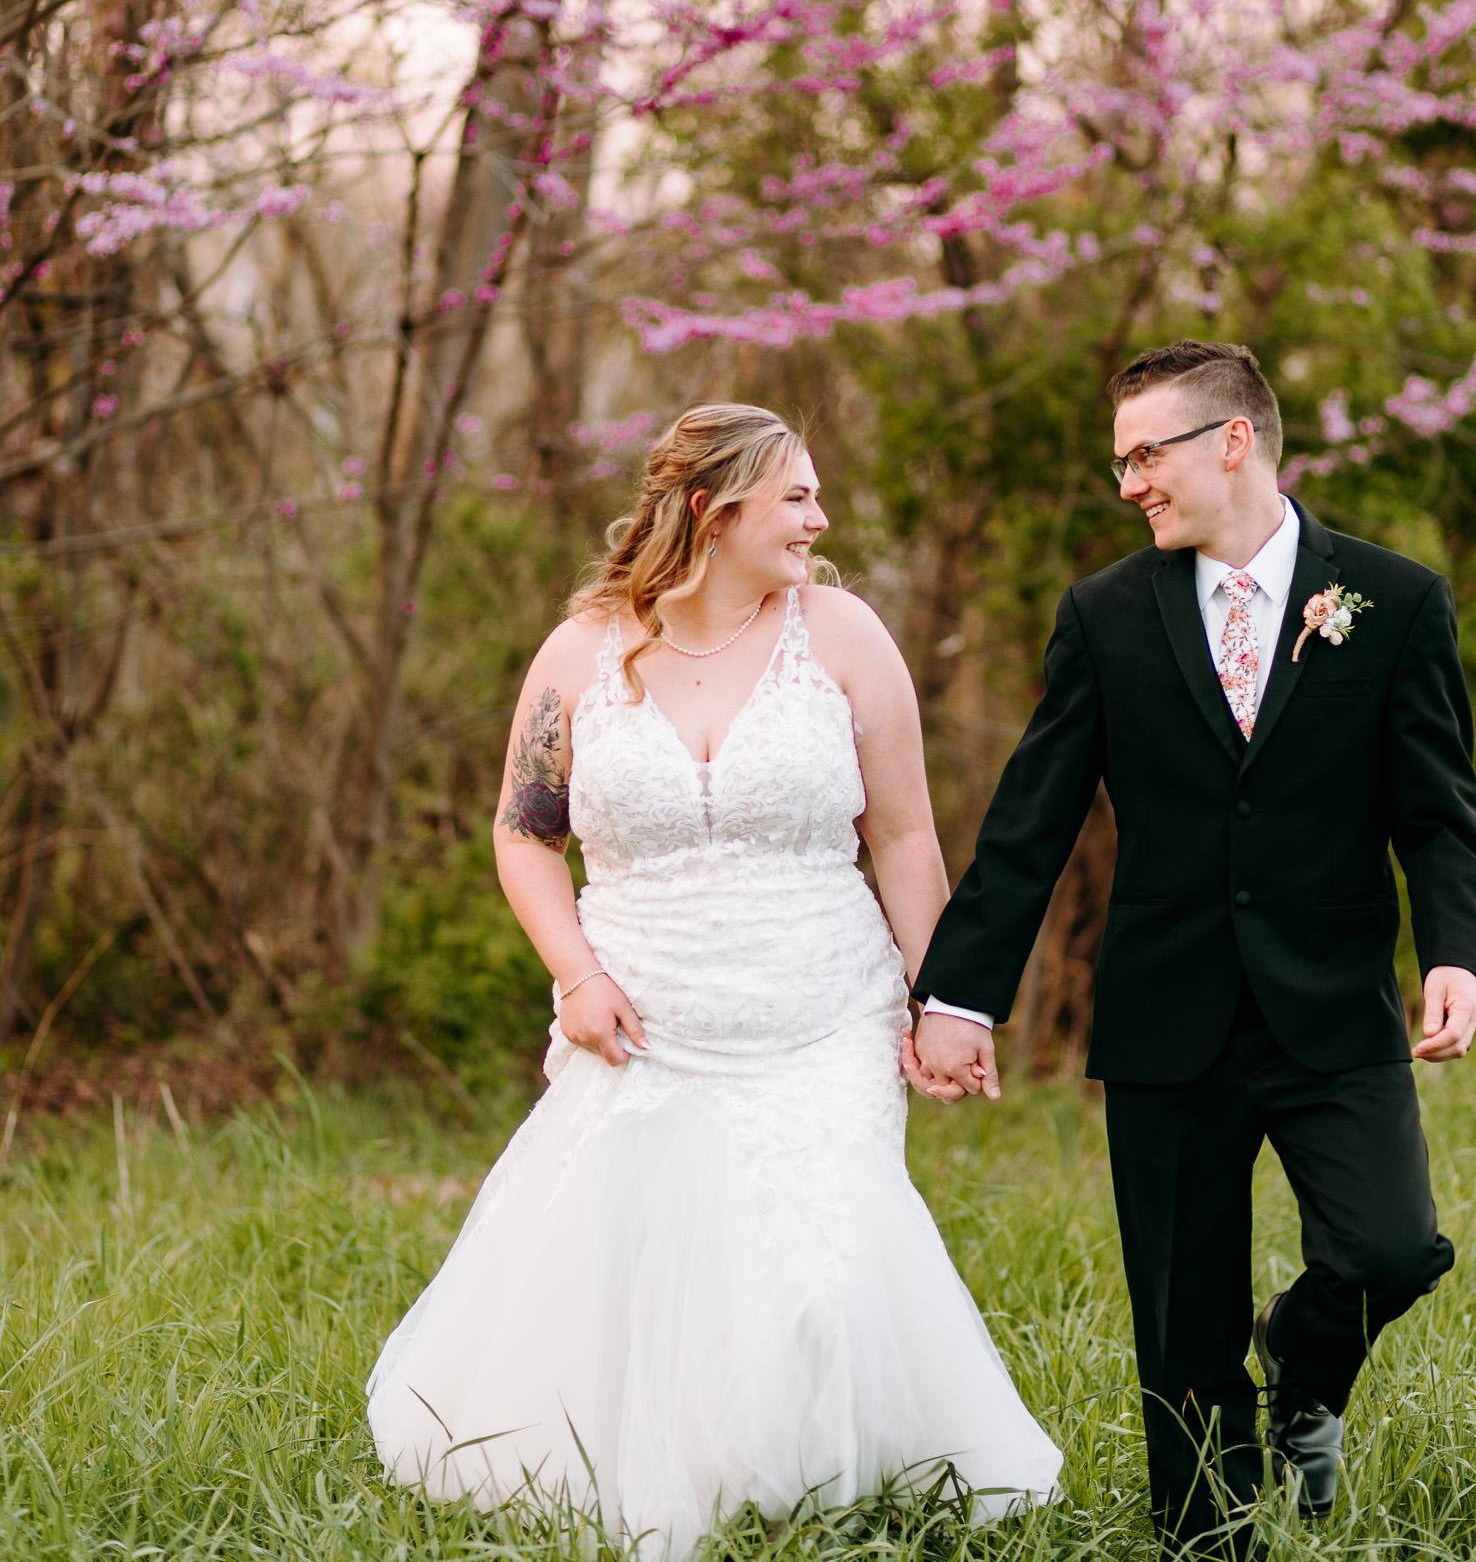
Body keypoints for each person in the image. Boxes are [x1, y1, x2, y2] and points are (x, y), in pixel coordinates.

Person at [367, 402, 1061, 1556]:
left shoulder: (843, 635)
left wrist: (943, 999)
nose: (819, 518)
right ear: (712, 507)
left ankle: (817, 1494)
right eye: (796, 496)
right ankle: (676, 1479)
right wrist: (575, 975)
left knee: (821, 1275)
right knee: (643, 1274)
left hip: (823, 1010)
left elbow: (903, 836)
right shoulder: (581, 650)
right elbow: (525, 833)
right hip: (640, 1019)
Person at [909, 340, 1476, 1557]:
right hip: (1167, 1012)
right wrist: (960, 994)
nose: (1129, 481)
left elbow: (1441, 813)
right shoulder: (1105, 614)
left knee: (1391, 1246)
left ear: (1234, 440)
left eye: (1146, 453)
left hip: (1334, 1006)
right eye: (1120, 460)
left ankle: (1302, 1358)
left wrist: (1457, 952)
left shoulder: (1393, 600)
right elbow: (1031, 821)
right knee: (1184, 1329)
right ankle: (1205, 1541)